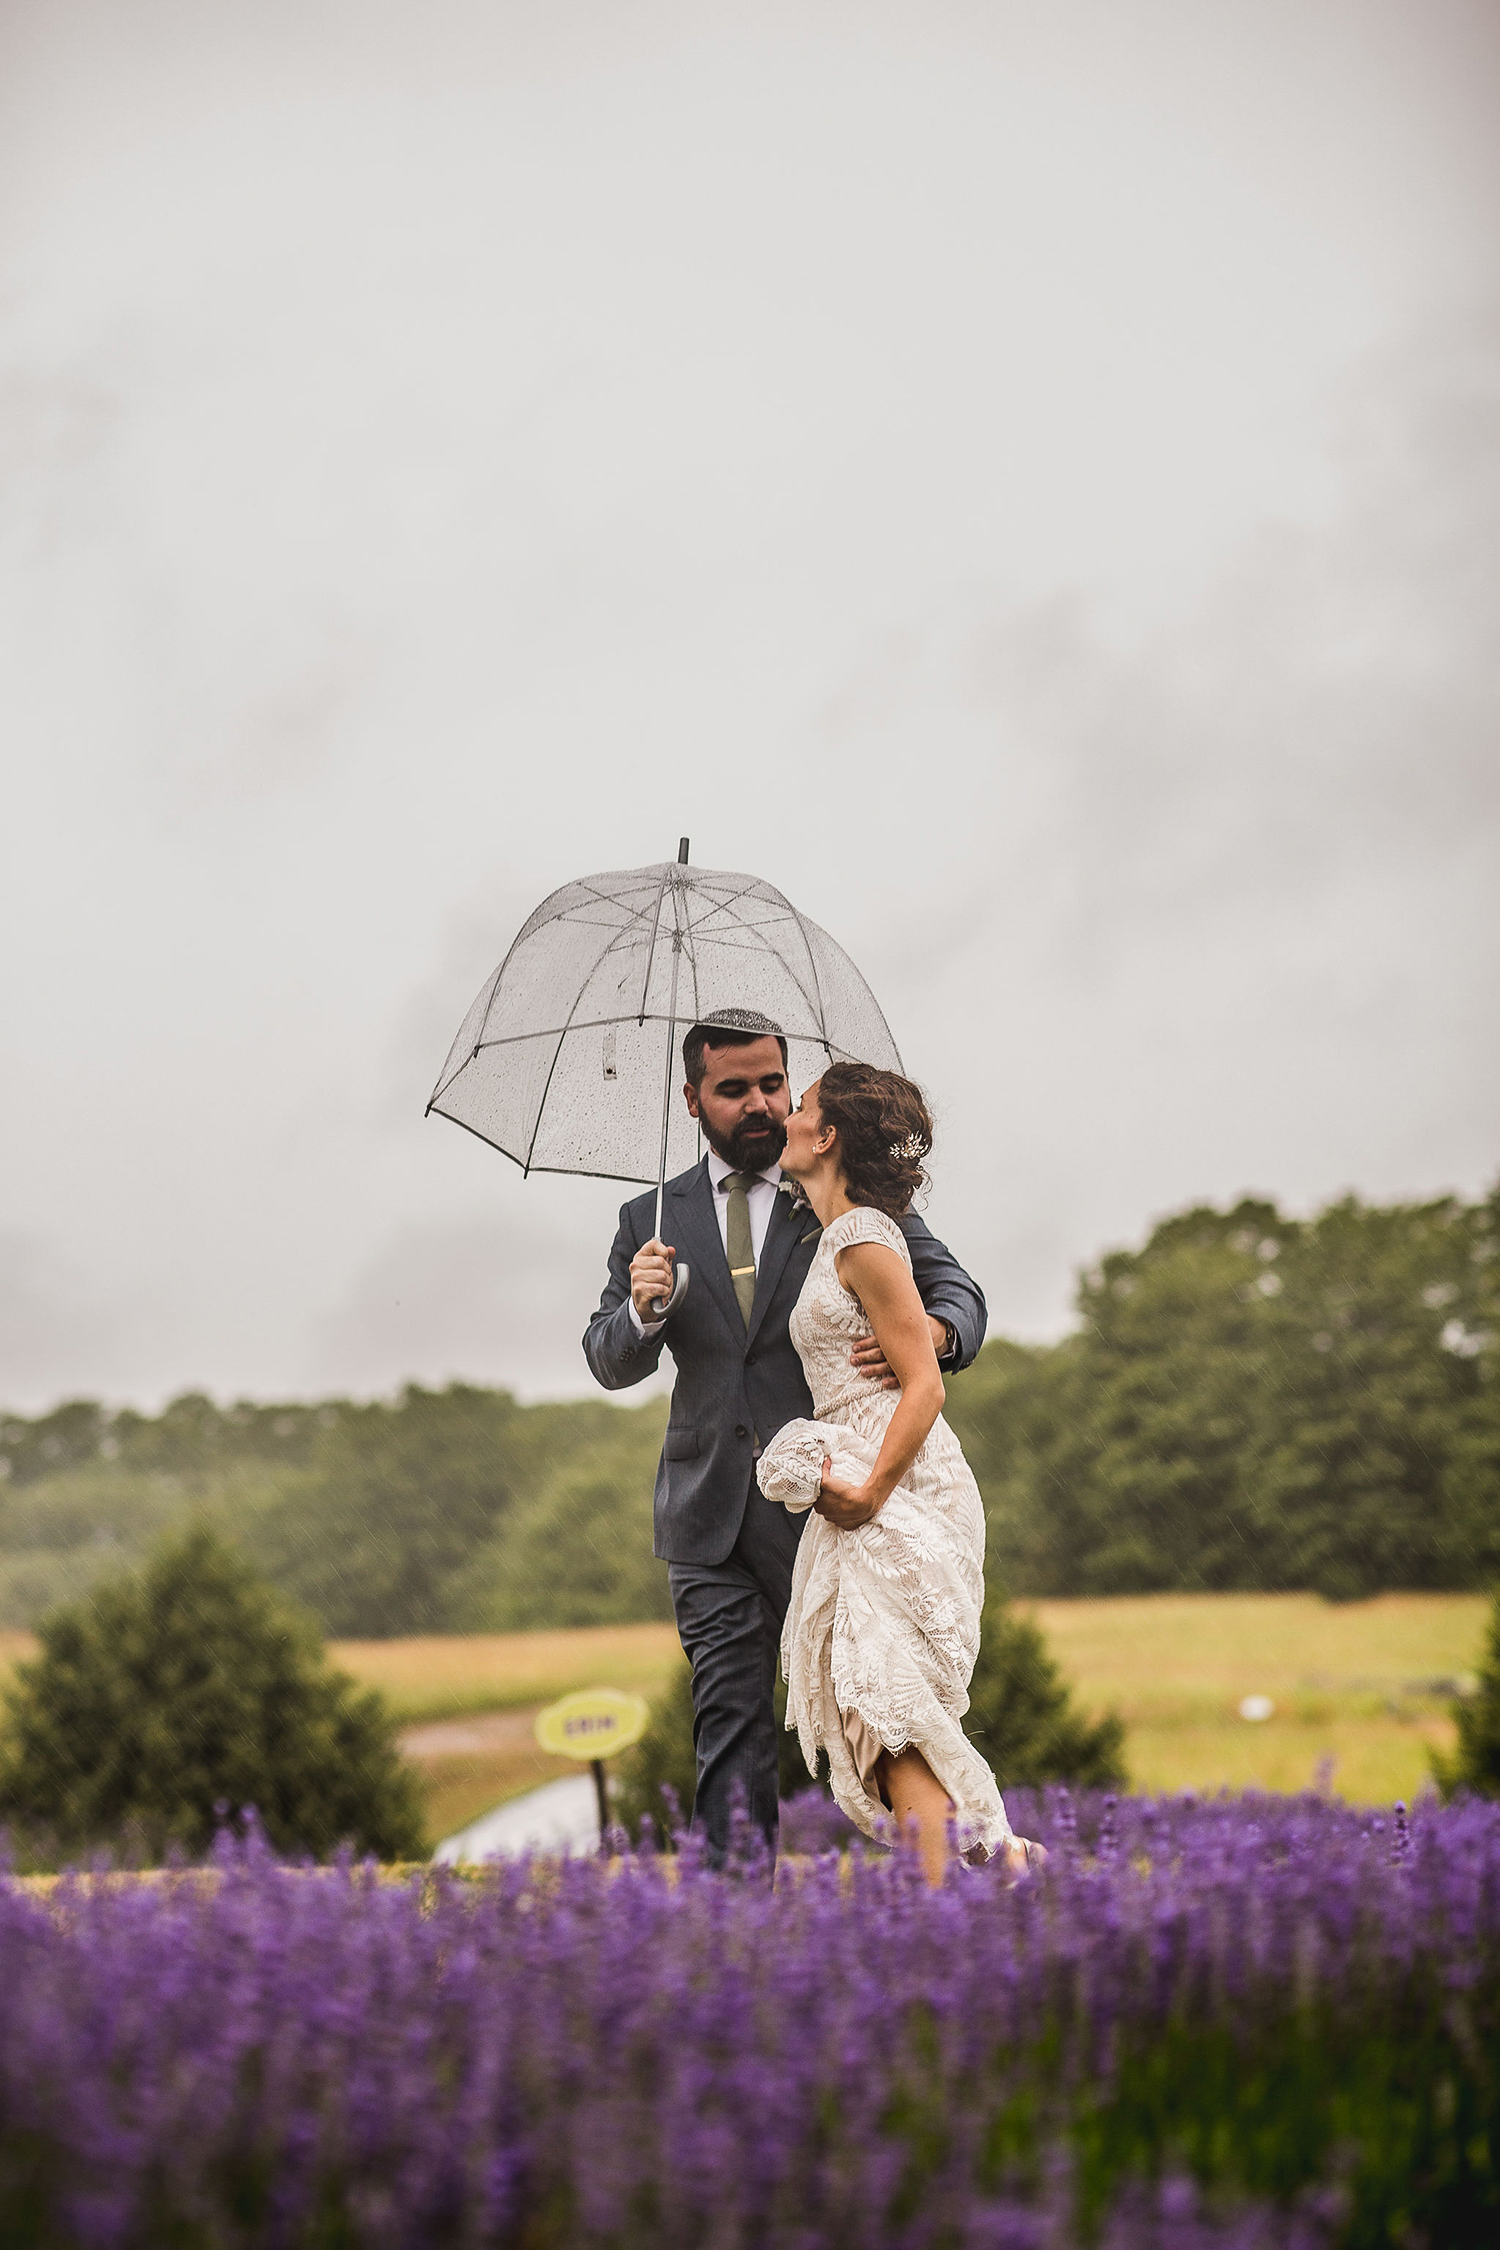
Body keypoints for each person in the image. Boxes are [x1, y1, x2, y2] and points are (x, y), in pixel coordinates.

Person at [583, 1010, 987, 1867]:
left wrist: (932, 1337)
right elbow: (607, 1361)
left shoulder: (845, 1196)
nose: (762, 1103)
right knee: (729, 1715)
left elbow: (956, 1294)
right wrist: (640, 1309)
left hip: (830, 1505)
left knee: (874, 1712)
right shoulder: (647, 1219)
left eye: (774, 1084)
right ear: (693, 1099)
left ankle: (958, 1873)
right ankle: (734, 1921)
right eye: (735, 1090)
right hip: (708, 1512)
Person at [759, 1062, 1044, 1885]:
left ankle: (946, 1909)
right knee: (867, 1709)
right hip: (860, 1478)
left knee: (884, 1704)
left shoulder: (867, 1237)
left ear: (829, 1134)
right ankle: (1008, 1864)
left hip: (900, 1485)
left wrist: (874, 1490)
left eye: (800, 1103)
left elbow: (922, 1382)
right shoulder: (835, 1234)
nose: (787, 1113)